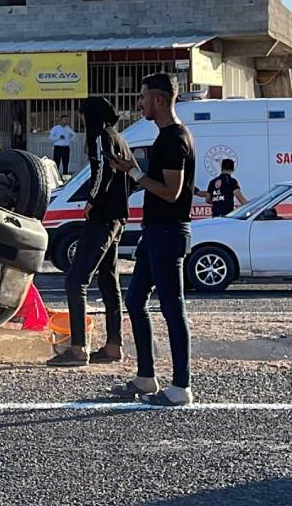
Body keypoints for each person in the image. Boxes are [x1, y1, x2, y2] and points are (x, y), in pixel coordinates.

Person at [108, 72, 197, 406]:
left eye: (143, 97)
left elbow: (172, 193)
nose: (139, 103)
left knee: (173, 309)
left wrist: (134, 172)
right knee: (135, 301)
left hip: (169, 231)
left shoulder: (174, 139)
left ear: (159, 99)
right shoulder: (165, 137)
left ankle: (180, 388)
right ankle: (146, 378)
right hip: (155, 232)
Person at [47, 97, 129, 368]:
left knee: (76, 280)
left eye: (84, 117)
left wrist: (92, 200)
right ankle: (113, 346)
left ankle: (78, 347)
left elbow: (103, 170)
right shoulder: (120, 137)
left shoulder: (101, 137)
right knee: (108, 281)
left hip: (103, 216)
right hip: (118, 216)